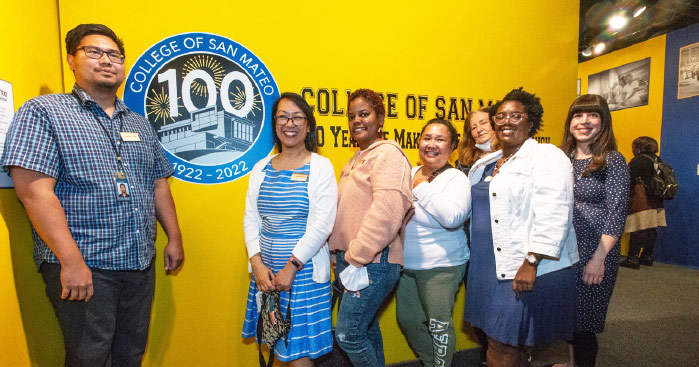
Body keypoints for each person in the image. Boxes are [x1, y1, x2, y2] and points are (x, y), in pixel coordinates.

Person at [0, 24, 184, 366]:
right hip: (84, 266)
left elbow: (158, 183)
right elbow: (34, 191)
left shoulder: (139, 124)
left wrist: (174, 237)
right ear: (71, 59)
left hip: (138, 263)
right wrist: (71, 262)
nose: (106, 61)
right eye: (94, 52)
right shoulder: (44, 112)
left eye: (114, 55)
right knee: (89, 357)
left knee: (130, 354)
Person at [463, 87, 579, 367]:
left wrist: (532, 260)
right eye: (500, 116)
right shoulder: (485, 164)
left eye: (516, 115)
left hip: (522, 265)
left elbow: (555, 211)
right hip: (485, 266)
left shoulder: (547, 156)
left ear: (531, 121)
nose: (506, 121)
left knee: (507, 342)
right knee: (493, 338)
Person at [242, 92, 336, 365]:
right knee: (278, 344)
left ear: (308, 125)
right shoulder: (261, 167)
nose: (290, 123)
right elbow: (250, 218)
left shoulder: (321, 167)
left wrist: (291, 266)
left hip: (302, 273)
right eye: (283, 117)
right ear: (274, 123)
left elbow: (323, 224)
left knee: (298, 351)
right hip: (267, 273)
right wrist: (257, 264)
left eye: (298, 117)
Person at [329, 88, 412, 367]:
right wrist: (337, 256)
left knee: (348, 334)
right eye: (352, 116)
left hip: (373, 260)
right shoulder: (355, 159)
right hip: (352, 260)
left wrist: (356, 256)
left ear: (381, 119)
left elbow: (387, 212)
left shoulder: (388, 154)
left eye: (364, 114)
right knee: (366, 329)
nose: (356, 121)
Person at [553, 94, 630, 367]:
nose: (584, 121)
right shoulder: (561, 158)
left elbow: (617, 213)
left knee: (585, 322)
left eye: (593, 115)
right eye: (578, 115)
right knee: (569, 315)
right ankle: (572, 362)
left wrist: (599, 259)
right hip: (563, 249)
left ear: (603, 121)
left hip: (595, 250)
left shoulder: (613, 160)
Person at [396, 119, 470, 367]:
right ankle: (433, 363)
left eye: (440, 139)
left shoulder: (456, 178)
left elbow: (451, 218)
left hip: (442, 266)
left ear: (452, 147)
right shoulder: (411, 172)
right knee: (407, 319)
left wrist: (421, 191)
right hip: (408, 265)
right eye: (427, 138)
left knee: (439, 325)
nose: (431, 144)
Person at [456, 107, 499, 366]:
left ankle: (512, 354)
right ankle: (489, 354)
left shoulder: (512, 157)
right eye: (474, 126)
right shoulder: (465, 164)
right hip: (475, 246)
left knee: (504, 309)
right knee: (479, 309)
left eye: (484, 122)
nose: (480, 128)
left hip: (504, 249)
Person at [622, 136, 666, 269]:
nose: (632, 149)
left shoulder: (639, 160)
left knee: (637, 228)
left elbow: (628, 179)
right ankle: (647, 256)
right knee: (651, 229)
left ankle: (632, 259)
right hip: (656, 200)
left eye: (634, 146)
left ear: (641, 147)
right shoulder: (658, 160)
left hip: (642, 199)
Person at [456, 106, 499, 175]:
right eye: (474, 128)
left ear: (495, 124)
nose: (479, 129)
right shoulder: (464, 162)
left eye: (483, 123)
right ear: (470, 135)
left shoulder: (510, 154)